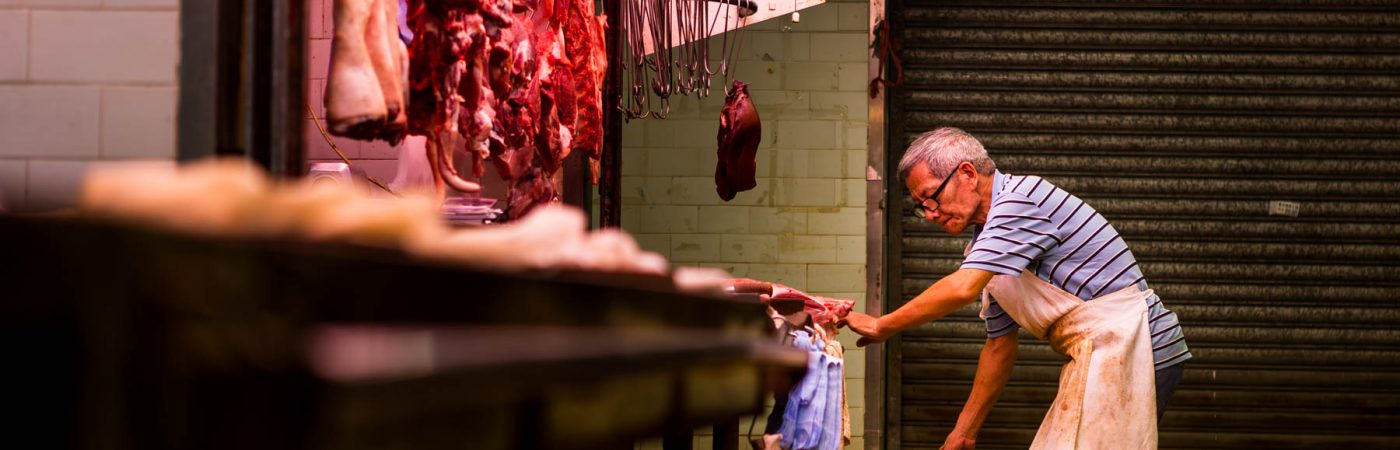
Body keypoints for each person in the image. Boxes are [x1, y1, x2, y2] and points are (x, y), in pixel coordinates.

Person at [843, 127, 1191, 449]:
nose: (930, 213)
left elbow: (962, 287)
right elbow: (999, 347)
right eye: (921, 207)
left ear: (967, 174)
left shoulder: (1020, 201)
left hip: (1140, 348)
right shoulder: (988, 249)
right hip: (1102, 355)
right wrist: (964, 431)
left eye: (931, 196)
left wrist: (882, 324)